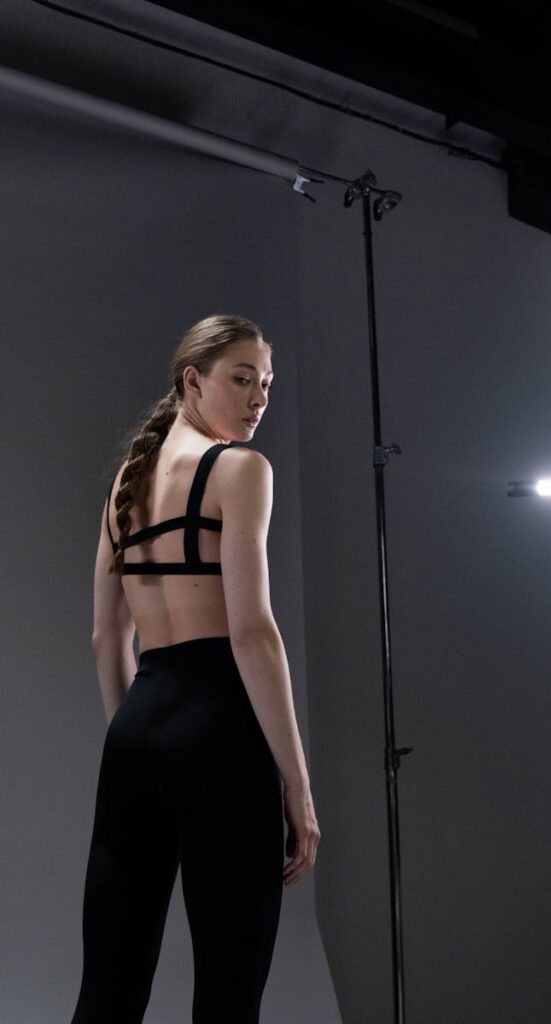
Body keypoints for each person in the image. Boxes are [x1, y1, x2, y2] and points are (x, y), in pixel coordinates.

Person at [70, 313, 320, 1024]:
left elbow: (104, 636)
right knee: (227, 990)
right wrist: (297, 790)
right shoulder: (240, 470)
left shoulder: (127, 483)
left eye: (266, 385)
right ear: (193, 380)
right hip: (221, 731)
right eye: (241, 379)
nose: (257, 399)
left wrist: (136, 743)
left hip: (139, 727)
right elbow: (252, 635)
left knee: (108, 989)